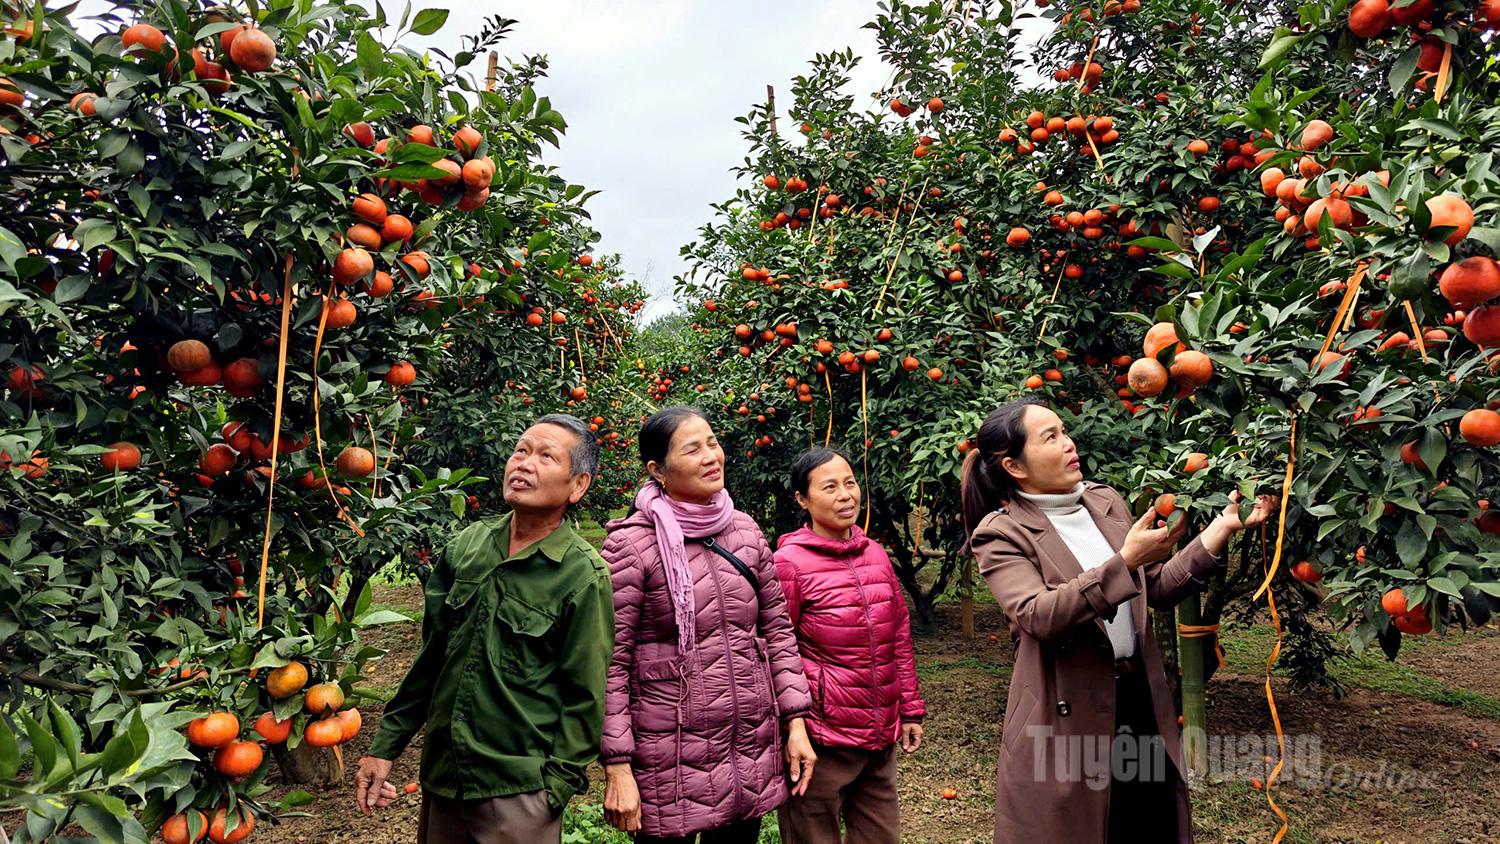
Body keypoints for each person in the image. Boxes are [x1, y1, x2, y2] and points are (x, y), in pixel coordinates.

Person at [960, 399, 1275, 844]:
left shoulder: (1104, 501)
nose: (1069, 444)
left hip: (1136, 697)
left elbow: (1156, 588)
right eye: (1050, 437)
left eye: (1064, 431)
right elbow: (1037, 615)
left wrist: (1218, 531)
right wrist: (1124, 562)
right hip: (1065, 708)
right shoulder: (1001, 532)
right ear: (1014, 465)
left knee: (1145, 821)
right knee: (1079, 828)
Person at [354, 415, 615, 844]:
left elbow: (584, 697)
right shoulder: (467, 547)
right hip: (443, 780)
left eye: (546, 456)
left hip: (519, 792)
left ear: (578, 485)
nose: (524, 463)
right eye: (521, 450)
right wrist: (386, 746)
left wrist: (553, 791)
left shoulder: (583, 576)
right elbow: (431, 660)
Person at [600, 406, 817, 844]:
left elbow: (777, 632)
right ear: (657, 469)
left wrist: (795, 722)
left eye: (712, 443)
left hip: (747, 748)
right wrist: (617, 765)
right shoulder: (630, 546)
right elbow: (609, 664)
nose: (710, 456)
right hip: (668, 759)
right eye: (692, 449)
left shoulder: (745, 532)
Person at [772, 447, 925, 844]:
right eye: (830, 487)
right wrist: (795, 727)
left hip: (879, 734)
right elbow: (777, 647)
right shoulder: (789, 563)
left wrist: (909, 708)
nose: (845, 495)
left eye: (850, 483)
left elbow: (898, 634)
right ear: (802, 500)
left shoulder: (874, 553)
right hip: (822, 739)